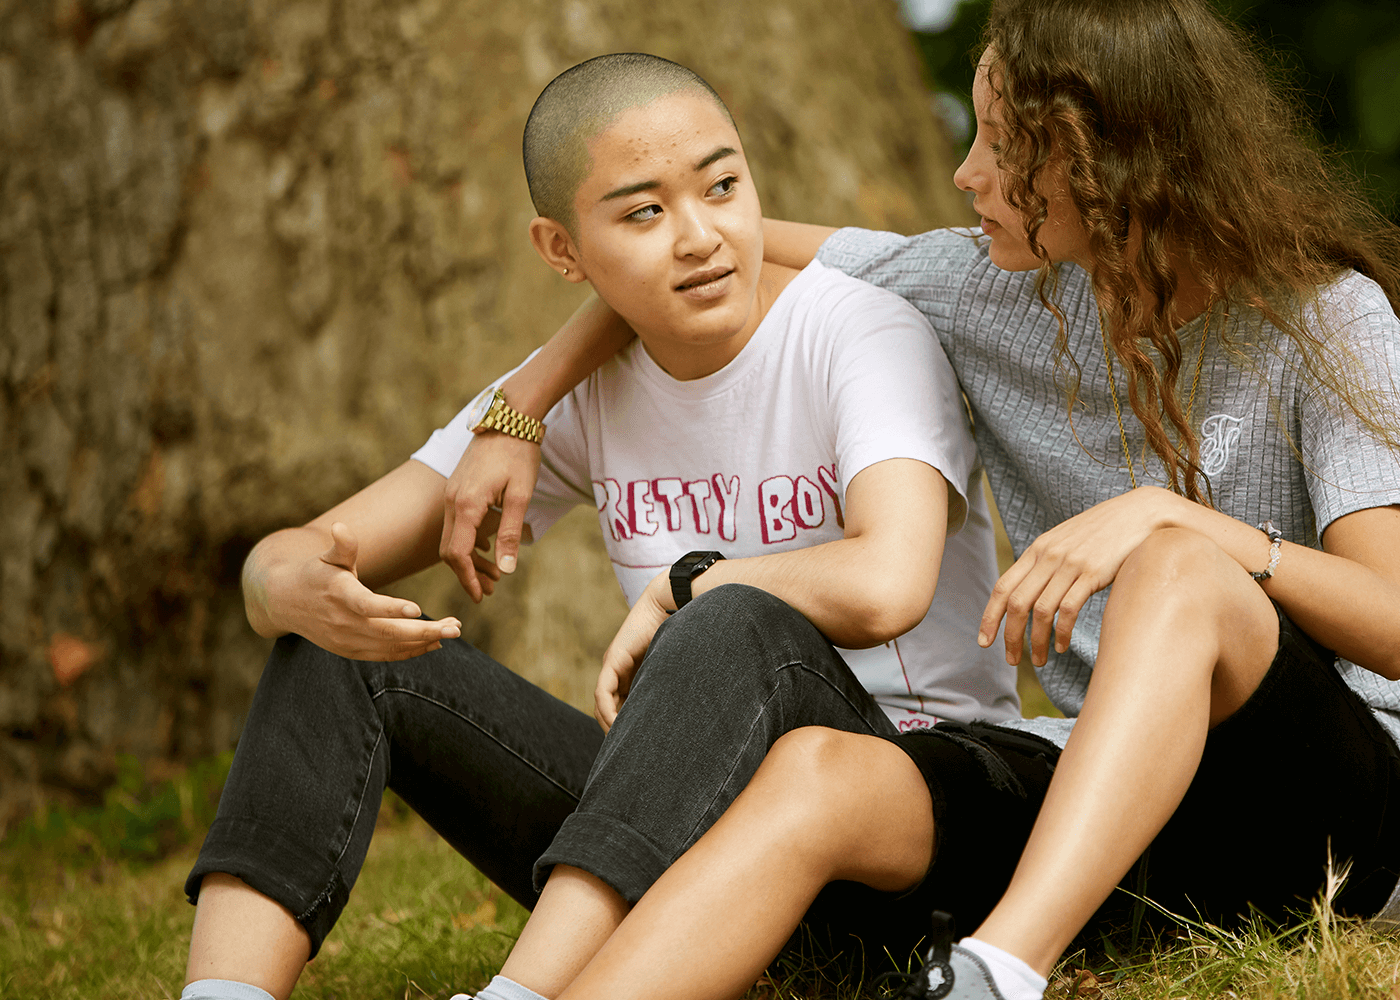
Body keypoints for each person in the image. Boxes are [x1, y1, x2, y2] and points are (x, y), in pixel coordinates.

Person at [442, 0, 1400, 1000]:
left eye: (1003, 147)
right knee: (817, 773)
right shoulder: (986, 292)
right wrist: (521, 406)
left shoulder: (1324, 312)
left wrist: (1187, 526)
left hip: (1340, 824)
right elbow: (710, 261)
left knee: (1175, 568)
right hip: (1133, 828)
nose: (966, 173)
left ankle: (998, 974)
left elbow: (1389, 624)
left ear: (1105, 162)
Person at [177, 53, 1019, 1000]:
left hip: (891, 824)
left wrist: (689, 581)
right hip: (677, 838)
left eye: (724, 186)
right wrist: (284, 585)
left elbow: (889, 583)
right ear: (562, 250)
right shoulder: (561, 396)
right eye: (644, 213)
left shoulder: (861, 334)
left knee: (731, 612)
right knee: (332, 649)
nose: (700, 237)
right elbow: (305, 550)